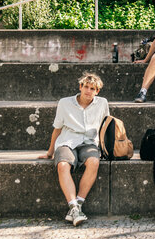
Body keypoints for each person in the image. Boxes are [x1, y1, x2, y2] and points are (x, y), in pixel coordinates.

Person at [39, 72, 110, 226]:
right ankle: (74, 207)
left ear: (97, 91)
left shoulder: (102, 103)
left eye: (92, 89)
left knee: (93, 162)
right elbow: (57, 129)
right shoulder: (65, 103)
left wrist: (106, 149)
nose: (88, 91)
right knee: (63, 165)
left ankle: (78, 205)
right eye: (86, 87)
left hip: (89, 142)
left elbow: (105, 126)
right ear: (80, 87)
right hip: (67, 141)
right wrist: (50, 152)